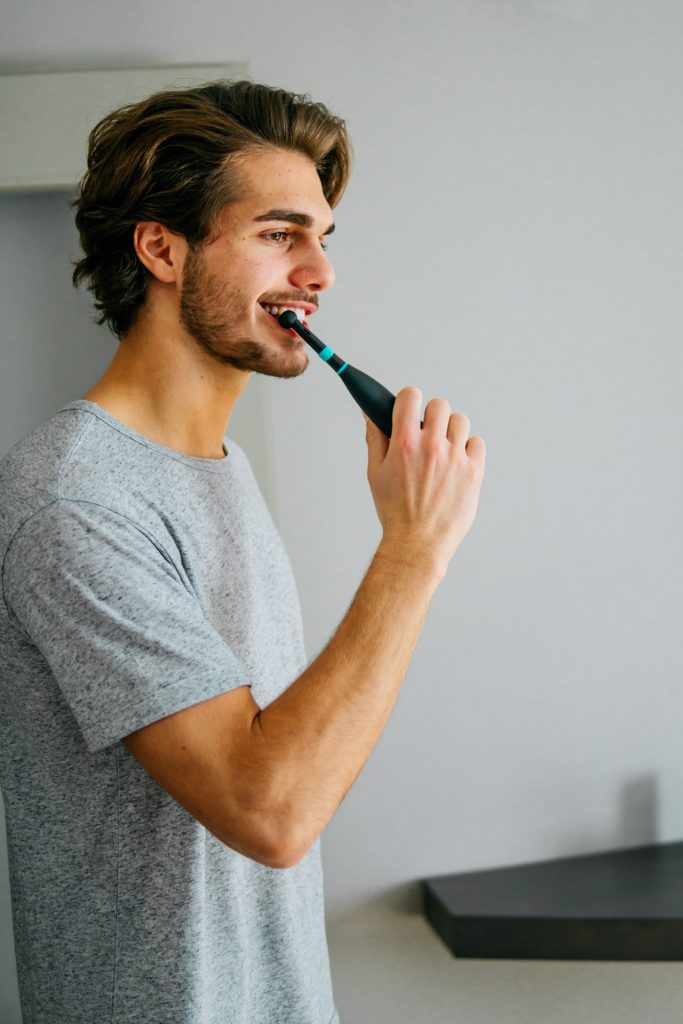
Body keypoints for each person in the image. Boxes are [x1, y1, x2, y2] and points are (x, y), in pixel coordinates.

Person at [0, 80, 486, 1024]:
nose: (320, 271)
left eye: (323, 238)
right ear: (161, 250)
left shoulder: (214, 468)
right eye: (278, 233)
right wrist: (413, 549)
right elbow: (273, 812)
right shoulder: (75, 500)